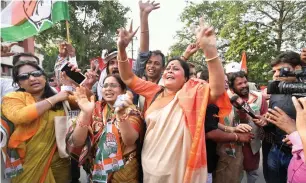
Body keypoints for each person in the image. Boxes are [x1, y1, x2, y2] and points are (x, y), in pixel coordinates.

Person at [117, 17, 231, 182]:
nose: (170, 70)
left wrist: (209, 49)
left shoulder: (193, 92)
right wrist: (121, 48)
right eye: (168, 68)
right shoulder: (154, 91)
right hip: (149, 166)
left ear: (186, 78)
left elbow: (218, 89)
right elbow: (127, 77)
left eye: (175, 68)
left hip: (179, 169)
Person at [1, 61, 71, 183]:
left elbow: (86, 101)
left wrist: (78, 82)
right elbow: (20, 116)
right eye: (24, 76)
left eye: (36, 73)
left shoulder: (61, 99)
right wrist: (54, 99)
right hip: (27, 164)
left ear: (44, 77)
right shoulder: (12, 98)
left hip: (58, 164)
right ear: (19, 83)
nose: (32, 78)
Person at [66, 74, 144, 183]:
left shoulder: (132, 111)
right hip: (97, 173)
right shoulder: (94, 108)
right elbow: (77, 142)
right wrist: (85, 113)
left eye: (113, 85)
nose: (108, 88)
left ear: (123, 90)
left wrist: (121, 114)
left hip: (123, 175)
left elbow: (130, 140)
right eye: (105, 85)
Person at [199, 70, 254, 183]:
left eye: (226, 82)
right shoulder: (206, 102)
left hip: (227, 154)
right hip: (206, 156)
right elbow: (210, 132)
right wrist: (237, 136)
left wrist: (232, 128)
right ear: (210, 82)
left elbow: (213, 123)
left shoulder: (228, 99)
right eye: (223, 81)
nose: (226, 85)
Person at [221, 71, 268, 183]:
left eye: (245, 82)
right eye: (239, 84)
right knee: (232, 175)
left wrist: (263, 121)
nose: (244, 85)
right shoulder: (224, 98)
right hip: (231, 145)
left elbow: (266, 116)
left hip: (252, 145)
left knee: (252, 174)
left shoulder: (259, 97)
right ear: (232, 87)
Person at [263, 51, 302, 183]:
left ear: (297, 69)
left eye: (281, 70)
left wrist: (298, 136)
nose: (276, 75)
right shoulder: (275, 91)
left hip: (299, 156)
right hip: (276, 151)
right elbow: (272, 122)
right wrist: (266, 121)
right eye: (274, 71)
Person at [265, 96, 306, 183]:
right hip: (277, 149)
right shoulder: (274, 97)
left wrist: (295, 133)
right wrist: (265, 123)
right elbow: (271, 126)